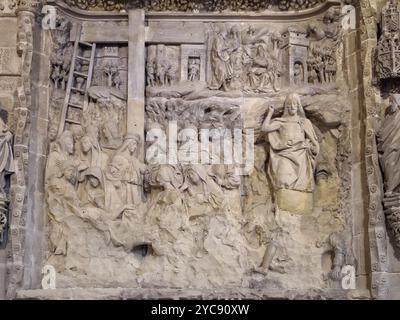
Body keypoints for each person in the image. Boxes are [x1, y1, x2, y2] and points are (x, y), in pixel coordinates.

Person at [262, 93, 319, 193]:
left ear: (298, 106)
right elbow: (265, 128)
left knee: (302, 185)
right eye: (290, 104)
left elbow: (315, 144)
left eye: (295, 104)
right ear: (286, 106)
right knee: (283, 180)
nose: (292, 106)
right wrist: (270, 113)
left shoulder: (304, 122)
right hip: (284, 154)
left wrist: (311, 147)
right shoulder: (281, 122)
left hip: (301, 155)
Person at [0, 119, 14, 196]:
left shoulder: (1, 122)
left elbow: (7, 133)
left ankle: (2, 191)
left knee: (1, 171)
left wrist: (7, 136)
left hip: (2, 150)